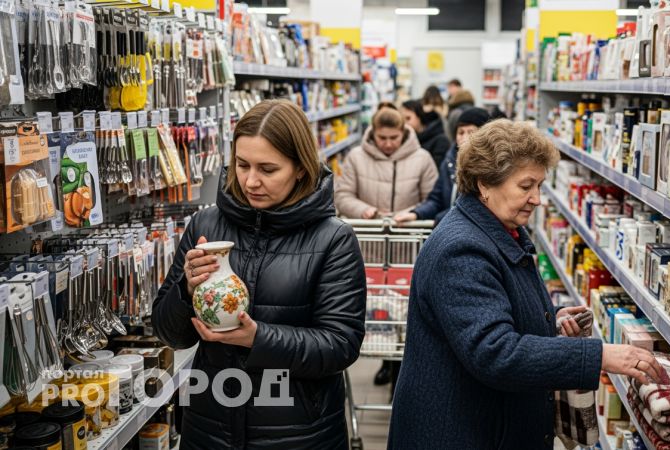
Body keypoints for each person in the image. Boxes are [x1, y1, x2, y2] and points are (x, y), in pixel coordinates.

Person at [388, 120, 662, 449]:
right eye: (525, 186)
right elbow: (495, 352)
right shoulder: (461, 250)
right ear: (484, 184)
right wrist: (596, 356)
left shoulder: (500, 229)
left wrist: (551, 319)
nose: (537, 199)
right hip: (461, 432)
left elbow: (498, 308)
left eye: (540, 186)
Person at [152, 99, 366, 449]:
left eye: (268, 169)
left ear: (300, 168)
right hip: (210, 426)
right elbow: (169, 334)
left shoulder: (333, 239)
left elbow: (341, 345)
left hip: (298, 433)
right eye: (242, 164)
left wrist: (259, 339)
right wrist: (185, 291)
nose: (251, 181)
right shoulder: (206, 226)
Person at [335, 103, 438, 219]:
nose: (388, 144)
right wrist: (363, 210)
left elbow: (432, 199)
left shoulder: (422, 159)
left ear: (403, 133)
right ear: (373, 133)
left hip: (408, 231)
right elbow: (342, 195)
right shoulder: (355, 157)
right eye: (382, 138)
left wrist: (413, 213)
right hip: (367, 230)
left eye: (394, 138)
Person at [394, 107, 490, 225]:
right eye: (460, 132)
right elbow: (436, 199)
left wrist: (440, 218)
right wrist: (416, 213)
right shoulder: (449, 161)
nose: (464, 137)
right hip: (449, 228)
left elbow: (474, 207)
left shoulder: (489, 168)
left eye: (471, 132)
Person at [401, 99, 451, 167]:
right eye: (402, 120)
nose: (405, 124)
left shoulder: (440, 140)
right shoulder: (402, 139)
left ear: (419, 117)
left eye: (408, 118)